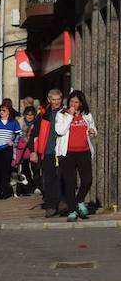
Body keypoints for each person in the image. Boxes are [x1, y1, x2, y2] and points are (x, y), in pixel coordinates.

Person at [54, 89, 97, 221]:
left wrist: (93, 131)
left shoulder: (86, 115)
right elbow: (60, 131)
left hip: (84, 152)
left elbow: (94, 129)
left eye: (76, 102)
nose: (73, 104)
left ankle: (79, 201)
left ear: (81, 103)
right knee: (70, 182)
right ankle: (71, 210)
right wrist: (70, 116)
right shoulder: (62, 114)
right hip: (68, 153)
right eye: (71, 101)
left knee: (87, 180)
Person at [31, 88, 64, 217]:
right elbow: (34, 134)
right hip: (48, 151)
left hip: (63, 151)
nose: (56, 102)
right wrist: (33, 151)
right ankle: (51, 205)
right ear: (49, 100)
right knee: (49, 179)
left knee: (63, 178)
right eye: (53, 99)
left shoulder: (66, 113)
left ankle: (62, 201)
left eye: (58, 99)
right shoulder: (43, 115)